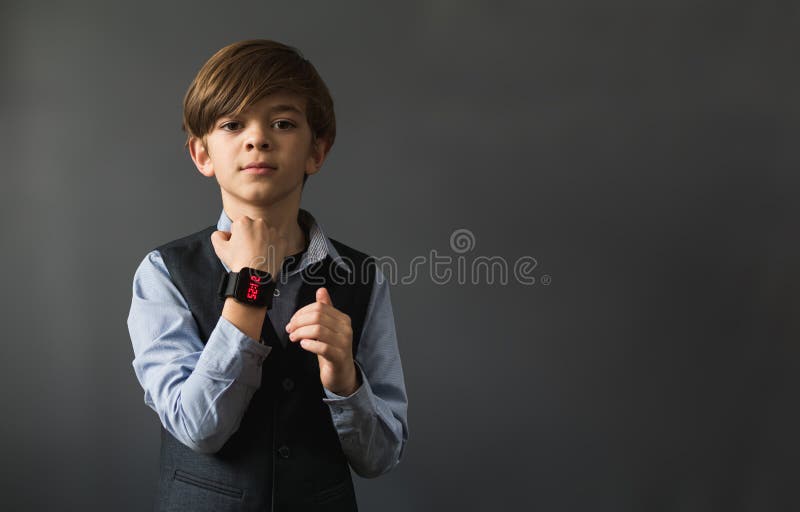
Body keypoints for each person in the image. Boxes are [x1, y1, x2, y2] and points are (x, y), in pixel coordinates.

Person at [126, 39, 408, 512]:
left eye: (283, 123)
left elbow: (380, 457)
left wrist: (345, 379)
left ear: (317, 151)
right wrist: (250, 286)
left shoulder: (362, 276)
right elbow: (198, 428)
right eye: (232, 124)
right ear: (201, 154)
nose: (257, 139)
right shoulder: (163, 273)